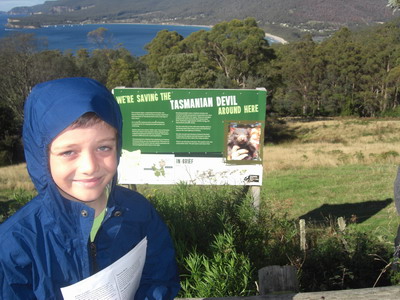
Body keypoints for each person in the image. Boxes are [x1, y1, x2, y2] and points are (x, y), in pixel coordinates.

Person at [0, 77, 180, 299]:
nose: (90, 167)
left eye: (103, 147)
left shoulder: (139, 211)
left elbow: (158, 277)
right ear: (41, 158)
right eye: (69, 152)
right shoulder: (15, 244)